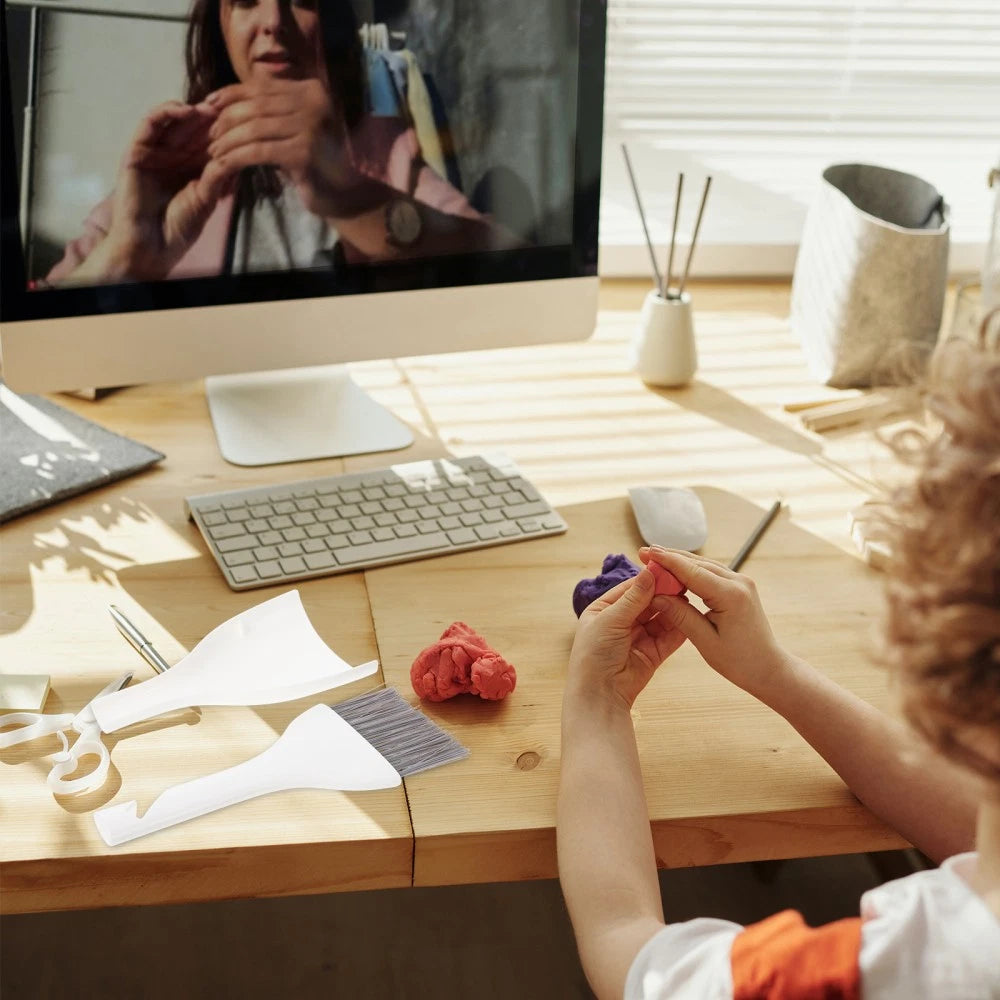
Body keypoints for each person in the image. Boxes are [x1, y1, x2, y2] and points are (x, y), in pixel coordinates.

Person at [558, 329, 1000, 998]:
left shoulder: (876, 974)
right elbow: (974, 823)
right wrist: (775, 675)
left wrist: (597, 701)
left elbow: (629, 952)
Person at [45, 0, 508, 287]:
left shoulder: (385, 147)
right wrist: (126, 258)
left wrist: (350, 199)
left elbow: (508, 262)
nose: (273, 22)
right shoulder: (171, 163)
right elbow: (30, 351)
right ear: (219, 26)